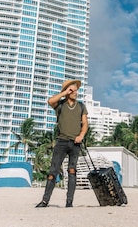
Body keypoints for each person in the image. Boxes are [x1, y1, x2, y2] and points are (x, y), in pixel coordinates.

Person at [36, 79, 88, 208]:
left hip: (75, 143)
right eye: (73, 90)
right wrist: (64, 92)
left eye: (76, 90)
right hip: (61, 142)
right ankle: (45, 201)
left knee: (72, 171)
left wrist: (81, 135)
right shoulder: (60, 105)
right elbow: (50, 101)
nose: (75, 92)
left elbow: (85, 123)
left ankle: (69, 202)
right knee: (53, 171)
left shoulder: (81, 106)